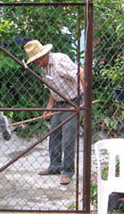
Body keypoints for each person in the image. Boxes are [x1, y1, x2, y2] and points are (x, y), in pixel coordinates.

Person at [23, 39, 84, 185]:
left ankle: (67, 172)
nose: (36, 64)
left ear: (43, 55)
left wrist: (85, 98)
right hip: (59, 102)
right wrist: (49, 107)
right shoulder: (44, 68)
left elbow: (80, 73)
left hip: (74, 100)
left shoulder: (59, 61)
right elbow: (53, 89)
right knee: (54, 133)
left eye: (36, 60)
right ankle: (55, 166)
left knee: (68, 136)